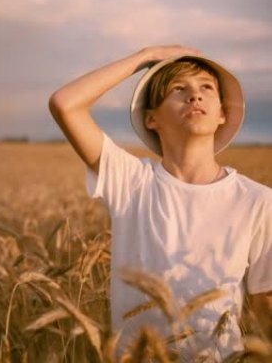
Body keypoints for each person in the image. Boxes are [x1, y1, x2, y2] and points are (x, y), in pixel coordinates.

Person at [48, 45, 272, 359]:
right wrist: (145, 56)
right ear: (151, 118)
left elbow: (265, 302)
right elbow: (64, 103)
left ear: (223, 113)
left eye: (206, 88)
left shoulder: (258, 200)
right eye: (178, 89)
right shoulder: (130, 181)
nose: (194, 96)